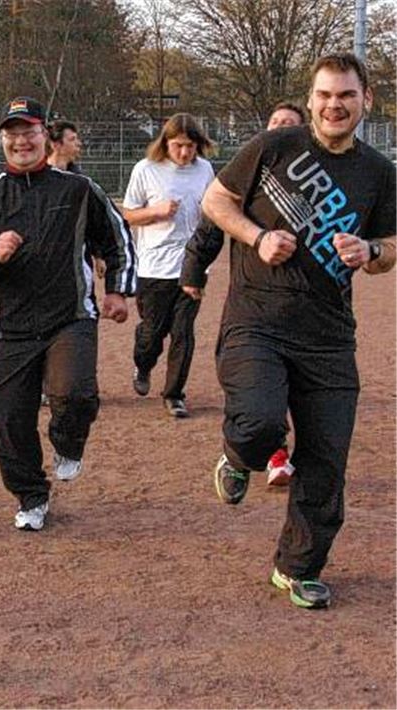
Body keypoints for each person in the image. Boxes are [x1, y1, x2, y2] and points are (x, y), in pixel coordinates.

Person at [201, 53, 395, 610]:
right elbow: (217, 200)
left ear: (366, 101)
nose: (335, 105)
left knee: (327, 460)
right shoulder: (274, 147)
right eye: (326, 95)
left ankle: (297, 569)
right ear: (310, 99)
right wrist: (257, 237)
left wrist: (371, 251)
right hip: (256, 322)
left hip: (330, 338)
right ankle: (240, 456)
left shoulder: (379, 173)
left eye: (347, 96)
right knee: (260, 422)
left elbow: (392, 246)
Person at [0, 96, 135, 532]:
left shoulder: (78, 190)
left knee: (74, 394)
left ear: (45, 137)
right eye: (12, 134)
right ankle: (31, 495)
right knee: (7, 418)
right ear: (1, 141)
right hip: (10, 328)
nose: (21, 141)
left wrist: (119, 291)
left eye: (29, 132)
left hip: (71, 318)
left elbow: (117, 238)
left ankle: (68, 442)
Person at [180, 101, 305, 486]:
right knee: (261, 392)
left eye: (290, 125)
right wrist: (193, 271)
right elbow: (211, 227)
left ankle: (278, 457)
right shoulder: (249, 174)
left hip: (310, 311)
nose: (281, 129)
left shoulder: (319, 180)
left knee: (296, 395)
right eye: (275, 122)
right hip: (255, 308)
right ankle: (261, 453)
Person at [121, 113, 216, 419]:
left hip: (191, 266)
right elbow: (129, 215)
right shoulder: (146, 170)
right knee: (152, 333)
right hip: (153, 268)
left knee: (183, 333)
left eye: (190, 146)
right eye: (178, 145)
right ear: (165, 142)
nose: (185, 152)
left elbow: (214, 211)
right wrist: (156, 212)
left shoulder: (205, 170)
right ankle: (143, 363)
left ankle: (174, 394)